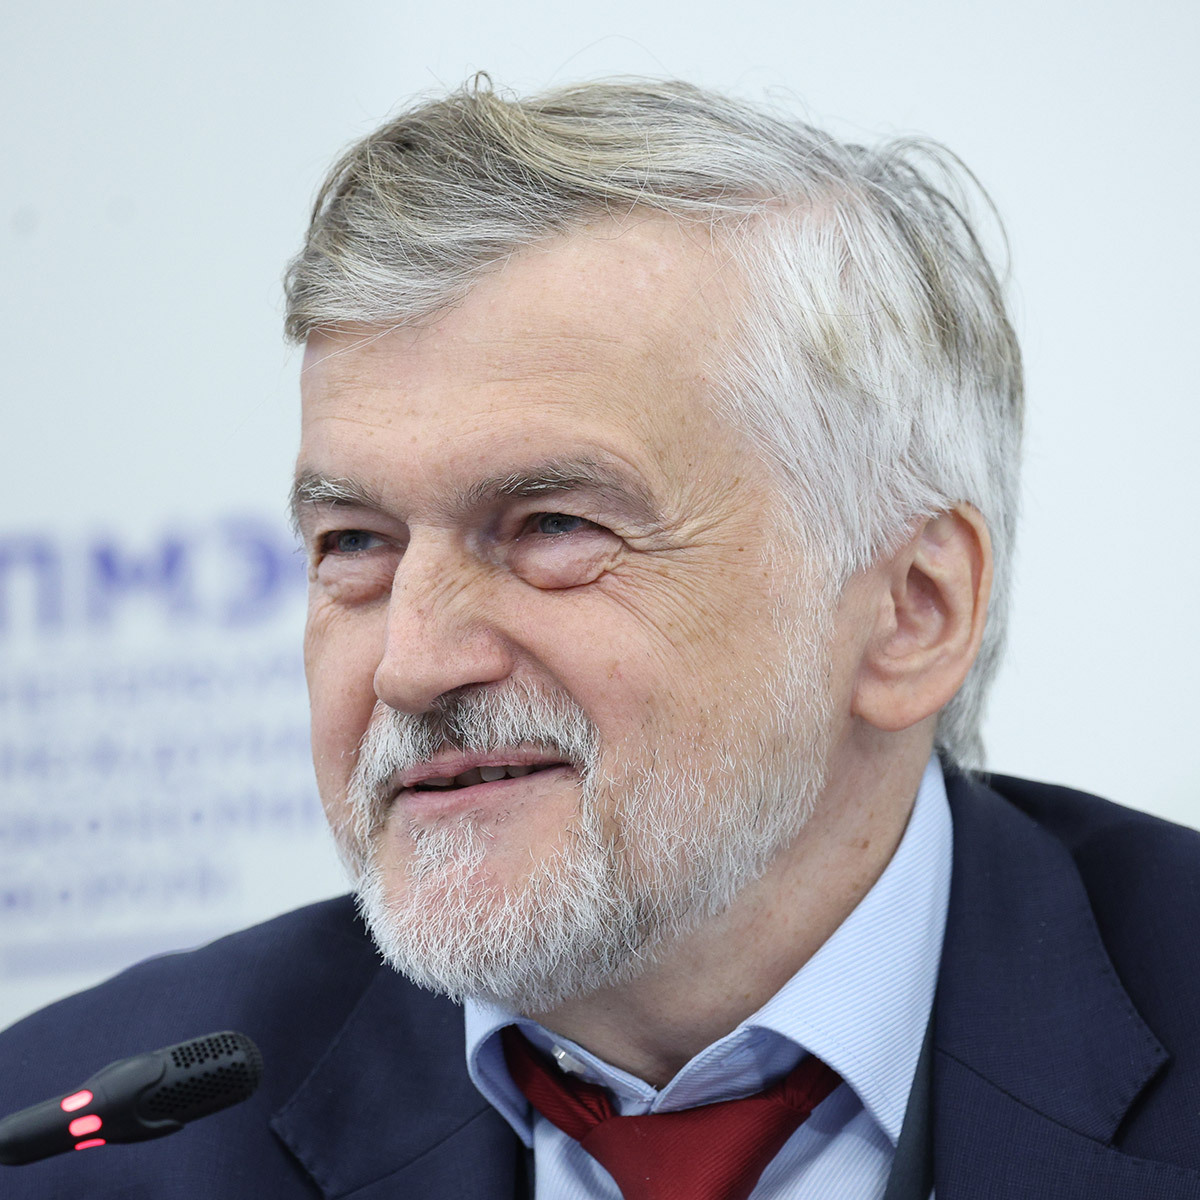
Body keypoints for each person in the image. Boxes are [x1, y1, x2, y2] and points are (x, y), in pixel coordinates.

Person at [2, 77, 1199, 1200]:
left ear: (912, 611)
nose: (413, 663)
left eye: (554, 527)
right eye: (355, 543)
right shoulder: (81, 1139)